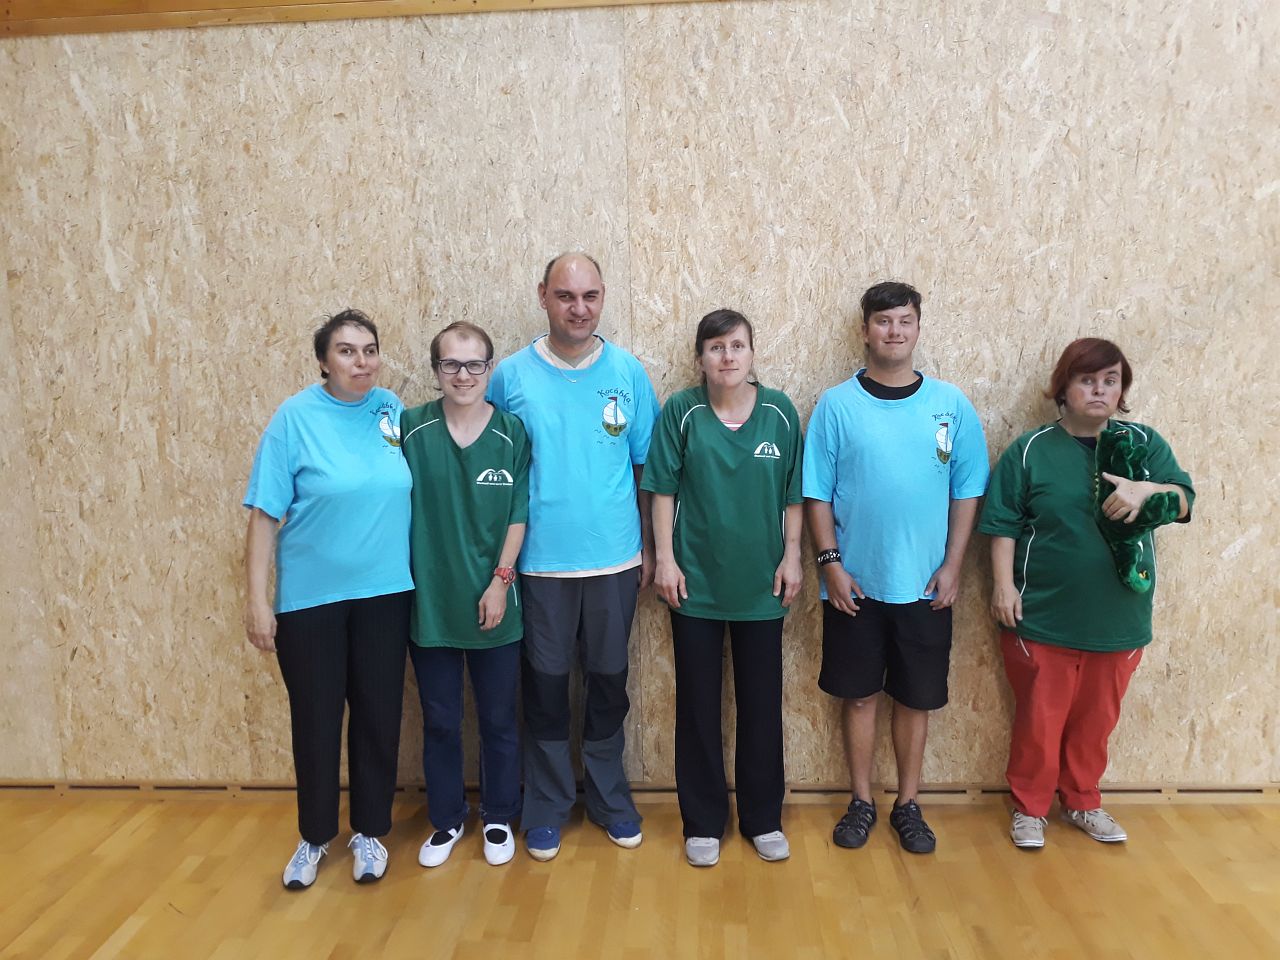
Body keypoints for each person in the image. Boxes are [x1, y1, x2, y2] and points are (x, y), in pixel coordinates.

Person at [978, 337, 1193, 849]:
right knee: (1039, 720)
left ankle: (1082, 801)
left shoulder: (1144, 446)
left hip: (1119, 617)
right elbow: (1002, 524)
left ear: (1122, 390)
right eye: (1087, 380)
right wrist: (1003, 587)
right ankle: (1030, 809)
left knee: (1097, 722)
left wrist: (1148, 490)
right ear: (1064, 388)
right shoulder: (1030, 450)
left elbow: (1184, 500)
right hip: (1042, 616)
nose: (1099, 390)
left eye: (1110, 381)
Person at [803, 281, 989, 855]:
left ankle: (908, 804)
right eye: (883, 321)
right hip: (854, 586)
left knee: (915, 699)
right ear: (865, 330)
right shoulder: (836, 406)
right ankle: (861, 801)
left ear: (918, 328)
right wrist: (830, 565)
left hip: (926, 587)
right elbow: (816, 494)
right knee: (859, 697)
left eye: (905, 320)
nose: (894, 331)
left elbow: (967, 491)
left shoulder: (950, 406)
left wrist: (954, 565)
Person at [487, 252, 660, 861]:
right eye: (565, 296)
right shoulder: (509, 377)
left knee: (609, 686)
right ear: (543, 296)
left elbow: (646, 469)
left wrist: (650, 548)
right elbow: (497, 472)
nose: (578, 308)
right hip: (539, 565)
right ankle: (547, 805)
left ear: (603, 297)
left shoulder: (628, 372)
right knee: (545, 689)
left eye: (589, 296)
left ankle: (611, 800)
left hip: (615, 562)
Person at [242, 309, 413, 889]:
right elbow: (264, 516)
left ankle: (370, 832)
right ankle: (314, 836)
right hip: (311, 601)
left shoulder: (391, 410)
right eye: (346, 351)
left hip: (386, 594)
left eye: (369, 350)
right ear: (323, 360)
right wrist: (257, 601)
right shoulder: (293, 419)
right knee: (316, 721)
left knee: (377, 716)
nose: (361, 362)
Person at [642, 309, 804, 868]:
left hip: (762, 585)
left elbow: (793, 495)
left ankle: (763, 818)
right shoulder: (681, 411)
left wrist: (793, 557)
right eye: (715, 347)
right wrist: (665, 560)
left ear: (752, 353)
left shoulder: (780, 413)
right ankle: (703, 820)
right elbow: (662, 489)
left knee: (761, 705)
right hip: (694, 584)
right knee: (698, 705)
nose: (727, 356)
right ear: (700, 359)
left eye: (736, 345)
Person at [400, 321, 530, 868]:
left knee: (499, 719)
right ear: (436, 370)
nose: (463, 375)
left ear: (489, 369)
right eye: (451, 364)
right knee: (441, 722)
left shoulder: (512, 432)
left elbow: (519, 513)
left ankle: (498, 815)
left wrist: (501, 580)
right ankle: (447, 819)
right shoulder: (408, 429)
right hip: (430, 605)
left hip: (494, 600)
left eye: (474, 364)